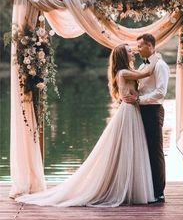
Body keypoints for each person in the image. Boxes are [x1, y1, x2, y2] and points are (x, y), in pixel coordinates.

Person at [16, 44, 159, 207]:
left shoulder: (126, 72)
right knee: (126, 149)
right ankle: (122, 188)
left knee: (130, 149)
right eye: (129, 51)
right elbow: (146, 73)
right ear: (122, 56)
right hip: (128, 112)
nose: (132, 52)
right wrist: (156, 57)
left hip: (131, 110)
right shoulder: (124, 72)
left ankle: (128, 187)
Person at [123, 34, 169, 203]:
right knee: (143, 150)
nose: (138, 49)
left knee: (155, 150)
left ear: (150, 46)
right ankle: (147, 188)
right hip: (141, 111)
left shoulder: (161, 66)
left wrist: (139, 100)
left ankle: (159, 191)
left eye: (140, 46)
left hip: (153, 110)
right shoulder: (143, 66)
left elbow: (160, 92)